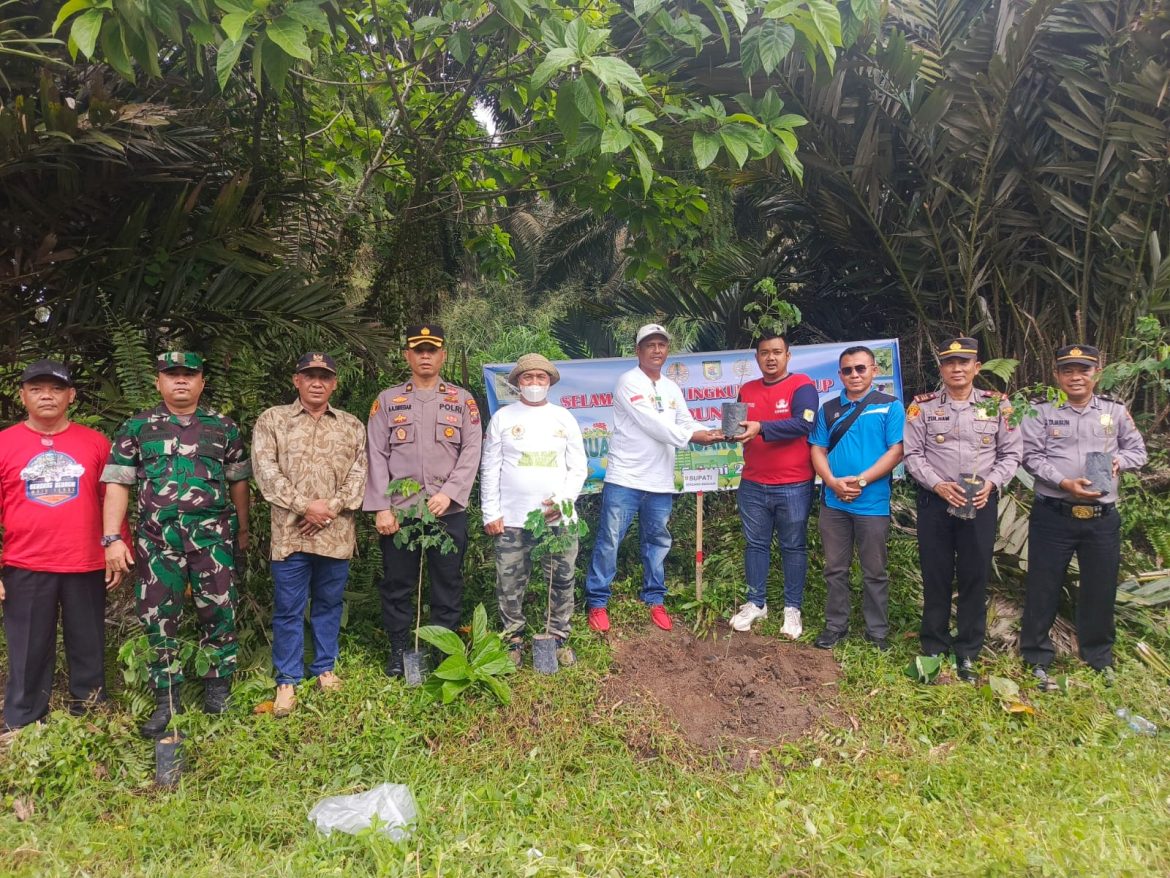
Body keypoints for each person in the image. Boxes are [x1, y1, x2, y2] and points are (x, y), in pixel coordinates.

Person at [102, 352, 251, 738]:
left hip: (213, 538)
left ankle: (217, 689)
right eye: (172, 374)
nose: (181, 381)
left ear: (202, 382)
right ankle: (167, 699)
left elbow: (238, 481)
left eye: (190, 374)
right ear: (159, 382)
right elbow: (118, 483)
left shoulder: (223, 427)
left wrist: (244, 530)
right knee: (158, 617)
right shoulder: (138, 426)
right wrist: (112, 537)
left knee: (219, 611)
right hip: (157, 541)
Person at [0, 361, 124, 731]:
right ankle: (23, 721)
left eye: (55, 389)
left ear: (71, 396)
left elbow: (111, 499)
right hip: (25, 563)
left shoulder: (96, 442)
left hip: (84, 562)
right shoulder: (4, 443)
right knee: (27, 648)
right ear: (23, 396)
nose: (47, 395)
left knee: (87, 643)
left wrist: (114, 547)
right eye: (37, 388)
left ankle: (88, 715)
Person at [1019, 344, 1147, 689]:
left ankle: (1098, 657)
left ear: (1096, 374)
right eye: (1068, 371)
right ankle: (1036, 655)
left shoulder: (1115, 412)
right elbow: (1029, 456)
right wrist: (1063, 481)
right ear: (1057, 375)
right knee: (1042, 586)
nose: (1076, 377)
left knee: (1099, 588)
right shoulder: (1041, 413)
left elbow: (1138, 450)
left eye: (1083, 370)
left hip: (1102, 517)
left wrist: (1120, 461)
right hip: (1054, 513)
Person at [583, 324, 721, 633]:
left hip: (660, 480)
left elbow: (684, 420)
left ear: (667, 350)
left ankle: (655, 599)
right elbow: (654, 424)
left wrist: (710, 430)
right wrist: (697, 437)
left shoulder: (671, 387)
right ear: (638, 351)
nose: (657, 350)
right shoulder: (628, 382)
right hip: (626, 478)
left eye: (661, 344)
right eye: (650, 345)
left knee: (657, 542)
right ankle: (597, 602)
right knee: (610, 541)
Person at [251, 353, 367, 717]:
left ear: (334, 383)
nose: (317, 382)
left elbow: (360, 473)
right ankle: (287, 678)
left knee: (329, 604)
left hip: (335, 534)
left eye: (325, 376)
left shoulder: (351, 425)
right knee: (288, 608)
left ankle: (324, 669)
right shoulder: (274, 420)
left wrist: (328, 508)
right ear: (296, 380)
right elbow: (265, 470)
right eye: (309, 375)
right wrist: (305, 506)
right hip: (290, 534)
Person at [364, 324, 482, 678]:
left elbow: (472, 450)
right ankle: (400, 647)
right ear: (408, 356)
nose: (426, 356)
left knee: (447, 581)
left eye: (432, 350)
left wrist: (450, 493)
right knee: (398, 582)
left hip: (448, 508)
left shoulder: (462, 400)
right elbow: (375, 454)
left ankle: (443, 649)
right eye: (419, 350)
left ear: (443, 354)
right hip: (401, 511)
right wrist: (381, 507)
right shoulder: (388, 401)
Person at [903, 337, 1022, 683]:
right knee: (936, 576)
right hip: (936, 504)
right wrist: (937, 484)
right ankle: (934, 647)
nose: (957, 368)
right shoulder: (921, 407)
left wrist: (992, 483)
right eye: (950, 363)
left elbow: (1011, 454)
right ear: (941, 368)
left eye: (964, 362)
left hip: (979, 503)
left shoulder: (998, 405)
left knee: (974, 575)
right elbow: (913, 455)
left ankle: (968, 650)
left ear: (976, 367)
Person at [480, 353, 587, 667]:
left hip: (559, 519)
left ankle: (557, 638)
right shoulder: (503, 418)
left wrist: (564, 501)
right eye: (528, 378)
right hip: (512, 518)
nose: (535, 383)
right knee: (510, 582)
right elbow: (490, 469)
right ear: (517, 383)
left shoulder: (563, 418)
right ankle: (512, 639)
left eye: (541, 378)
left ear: (550, 383)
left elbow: (578, 468)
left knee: (562, 579)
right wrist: (490, 513)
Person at [809, 346, 905, 650]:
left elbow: (897, 450)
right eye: (848, 370)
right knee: (835, 568)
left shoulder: (890, 406)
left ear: (874, 371)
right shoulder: (828, 408)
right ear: (840, 374)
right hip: (834, 502)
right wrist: (832, 482)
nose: (854, 374)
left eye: (861, 368)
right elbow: (817, 449)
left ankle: (877, 632)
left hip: (872, 503)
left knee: (874, 571)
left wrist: (862, 480)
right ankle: (836, 626)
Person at [729, 332, 819, 639]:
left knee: (792, 545)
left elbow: (804, 423)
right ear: (756, 358)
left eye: (777, 352)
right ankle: (756, 602)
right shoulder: (747, 389)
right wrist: (726, 432)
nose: (771, 357)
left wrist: (761, 428)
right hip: (753, 482)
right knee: (755, 545)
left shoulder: (802, 385)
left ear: (788, 356)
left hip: (794, 483)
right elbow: (739, 428)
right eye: (764, 352)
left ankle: (792, 608)